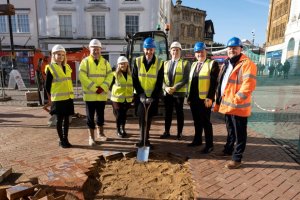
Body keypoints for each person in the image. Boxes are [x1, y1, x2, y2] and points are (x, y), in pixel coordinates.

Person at [214, 37, 257, 169]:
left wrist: (236, 100)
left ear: (240, 49)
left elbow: (248, 85)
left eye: (235, 48)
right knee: (230, 131)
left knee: (240, 134)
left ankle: (237, 158)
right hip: (227, 105)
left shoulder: (247, 64)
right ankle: (228, 150)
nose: (232, 50)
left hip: (238, 106)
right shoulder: (227, 63)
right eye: (230, 48)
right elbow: (222, 82)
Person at [186, 42, 219, 154]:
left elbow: (214, 83)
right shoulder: (194, 64)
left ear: (206, 51)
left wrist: (210, 98)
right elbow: (191, 82)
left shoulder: (212, 64)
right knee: (196, 121)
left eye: (201, 51)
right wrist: (189, 97)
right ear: (195, 53)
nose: (199, 54)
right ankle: (197, 140)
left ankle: (209, 145)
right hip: (194, 98)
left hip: (205, 99)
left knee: (206, 122)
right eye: (197, 52)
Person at [79, 39, 113, 146]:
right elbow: (82, 77)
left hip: (101, 96)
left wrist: (103, 87)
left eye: (98, 49)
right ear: (90, 49)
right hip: (90, 96)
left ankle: (101, 134)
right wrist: (95, 88)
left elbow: (110, 76)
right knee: (90, 117)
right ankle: (91, 138)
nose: (96, 51)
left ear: (100, 50)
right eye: (94, 49)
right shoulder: (85, 62)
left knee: (100, 116)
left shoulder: (105, 62)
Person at [132, 37, 164, 148]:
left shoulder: (160, 63)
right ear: (143, 49)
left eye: (151, 49)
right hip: (140, 96)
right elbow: (134, 79)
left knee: (149, 118)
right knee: (141, 117)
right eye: (146, 49)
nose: (148, 52)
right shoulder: (137, 61)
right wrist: (141, 94)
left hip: (152, 97)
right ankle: (141, 139)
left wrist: (153, 96)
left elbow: (159, 82)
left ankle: (147, 139)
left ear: (154, 50)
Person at [45, 44, 74, 148]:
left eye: (62, 54)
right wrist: (51, 98)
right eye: (58, 54)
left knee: (67, 120)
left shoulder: (67, 67)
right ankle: (61, 140)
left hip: (68, 98)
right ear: (53, 55)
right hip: (58, 99)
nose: (61, 56)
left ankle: (66, 139)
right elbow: (47, 86)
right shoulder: (50, 68)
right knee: (59, 120)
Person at [160, 41, 189, 140]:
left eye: (177, 50)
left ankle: (179, 133)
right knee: (168, 113)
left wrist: (175, 88)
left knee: (179, 113)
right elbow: (161, 79)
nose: (175, 52)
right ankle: (166, 131)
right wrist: (165, 87)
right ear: (170, 51)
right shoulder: (165, 63)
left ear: (180, 51)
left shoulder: (185, 63)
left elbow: (185, 78)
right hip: (167, 92)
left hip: (179, 93)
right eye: (173, 50)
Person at [110, 56, 133, 138]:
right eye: (121, 64)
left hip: (127, 98)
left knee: (124, 114)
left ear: (127, 64)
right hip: (117, 99)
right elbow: (110, 85)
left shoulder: (130, 75)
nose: (123, 65)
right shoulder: (114, 74)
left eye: (124, 63)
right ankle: (118, 129)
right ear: (118, 65)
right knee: (119, 114)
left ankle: (123, 128)